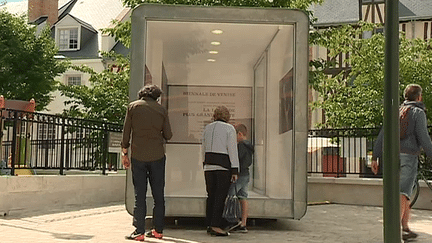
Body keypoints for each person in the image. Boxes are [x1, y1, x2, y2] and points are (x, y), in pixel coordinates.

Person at [372, 84, 432, 241]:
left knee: (404, 194)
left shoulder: (395, 111)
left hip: (391, 156)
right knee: (403, 192)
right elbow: (424, 138)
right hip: (409, 156)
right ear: (419, 97)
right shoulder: (418, 112)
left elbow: (382, 134)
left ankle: (405, 229)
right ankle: (394, 231)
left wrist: (375, 157)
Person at [121, 84, 172, 241]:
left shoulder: (133, 107)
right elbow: (169, 135)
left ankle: (139, 231)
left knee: (140, 195)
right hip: (157, 156)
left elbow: (126, 133)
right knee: (158, 194)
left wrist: (124, 153)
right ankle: (158, 230)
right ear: (156, 96)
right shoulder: (161, 110)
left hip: (138, 156)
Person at [202, 106, 239, 236]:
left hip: (208, 166)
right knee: (220, 197)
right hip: (223, 167)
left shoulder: (207, 128)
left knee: (211, 196)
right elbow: (232, 149)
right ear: (227, 116)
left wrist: (204, 163)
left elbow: (203, 146)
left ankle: (209, 223)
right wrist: (235, 170)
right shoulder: (229, 129)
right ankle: (216, 225)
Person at [227, 123, 254, 233]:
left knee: (230, 195)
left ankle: (233, 219)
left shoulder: (241, 146)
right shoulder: (249, 146)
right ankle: (243, 222)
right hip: (246, 174)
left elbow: (237, 160)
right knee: (243, 197)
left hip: (240, 174)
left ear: (240, 134)